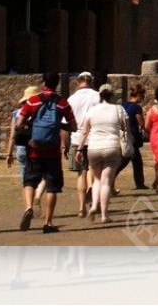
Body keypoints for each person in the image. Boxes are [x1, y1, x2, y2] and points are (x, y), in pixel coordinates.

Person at [15, 71, 77, 233]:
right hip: (52, 151)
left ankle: (29, 207)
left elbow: (19, 122)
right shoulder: (62, 103)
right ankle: (48, 223)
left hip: (34, 149)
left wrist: (32, 125)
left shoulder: (32, 101)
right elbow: (73, 127)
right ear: (57, 84)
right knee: (52, 187)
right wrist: (58, 126)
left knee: (29, 182)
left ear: (43, 83)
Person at [75, 83, 129, 223]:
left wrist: (80, 149)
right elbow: (125, 128)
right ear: (111, 95)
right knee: (106, 182)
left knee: (97, 180)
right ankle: (104, 214)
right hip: (111, 147)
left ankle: (93, 205)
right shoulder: (119, 109)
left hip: (94, 148)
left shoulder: (92, 111)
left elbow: (85, 131)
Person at [4, 85, 45, 219]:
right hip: (37, 146)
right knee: (44, 175)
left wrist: (9, 153)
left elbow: (13, 135)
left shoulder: (17, 113)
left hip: (21, 148)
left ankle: (28, 207)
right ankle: (38, 195)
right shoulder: (41, 110)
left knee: (26, 180)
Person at [66, 71, 101, 217]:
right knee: (93, 169)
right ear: (91, 81)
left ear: (78, 82)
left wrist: (64, 145)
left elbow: (66, 124)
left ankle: (81, 208)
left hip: (76, 138)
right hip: (94, 138)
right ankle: (92, 190)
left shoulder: (71, 99)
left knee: (81, 174)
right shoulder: (98, 96)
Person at [115, 83, 149, 190]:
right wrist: (148, 131)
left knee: (135, 160)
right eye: (142, 96)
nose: (143, 98)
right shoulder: (136, 108)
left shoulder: (124, 105)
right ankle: (110, 177)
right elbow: (141, 123)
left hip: (124, 135)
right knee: (126, 160)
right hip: (133, 136)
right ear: (138, 95)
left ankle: (140, 183)